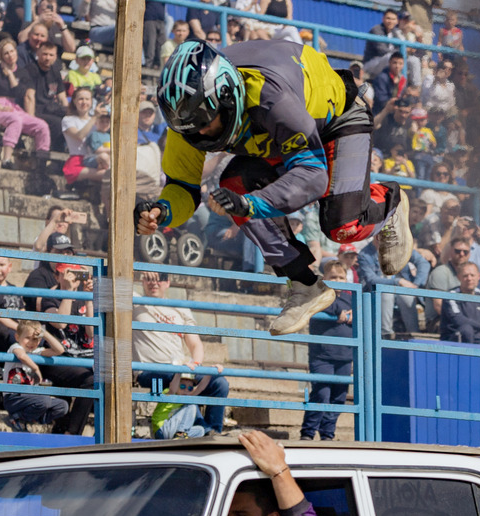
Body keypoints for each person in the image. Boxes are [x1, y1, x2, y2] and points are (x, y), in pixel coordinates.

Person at [140, 39, 413, 336]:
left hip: (336, 120)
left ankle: (390, 202)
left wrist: (252, 204)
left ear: (227, 96)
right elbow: (182, 187)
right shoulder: (187, 122)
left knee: (341, 226)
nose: (201, 133)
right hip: (280, 135)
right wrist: (161, 211)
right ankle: (305, 286)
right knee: (233, 186)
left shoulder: (270, 96)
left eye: (206, 121)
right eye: (190, 128)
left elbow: (313, 175)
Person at [133, 268, 230, 433]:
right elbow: (116, 280)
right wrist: (139, 271)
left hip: (180, 368)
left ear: (168, 282)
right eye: (149, 278)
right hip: (149, 370)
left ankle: (214, 431)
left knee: (220, 383)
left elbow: (195, 345)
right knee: (182, 379)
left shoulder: (180, 308)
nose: (154, 283)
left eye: (160, 278)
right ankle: (204, 429)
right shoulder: (134, 302)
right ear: (142, 280)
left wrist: (195, 364)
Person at [301, 255, 355, 440]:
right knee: (321, 394)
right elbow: (321, 304)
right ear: (324, 279)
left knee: (339, 397)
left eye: (341, 277)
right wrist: (339, 311)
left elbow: (364, 312)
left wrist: (353, 314)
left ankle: (327, 434)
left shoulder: (351, 299)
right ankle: (308, 433)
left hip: (345, 356)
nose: (337, 281)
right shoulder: (319, 296)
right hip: (322, 356)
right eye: (333, 277)